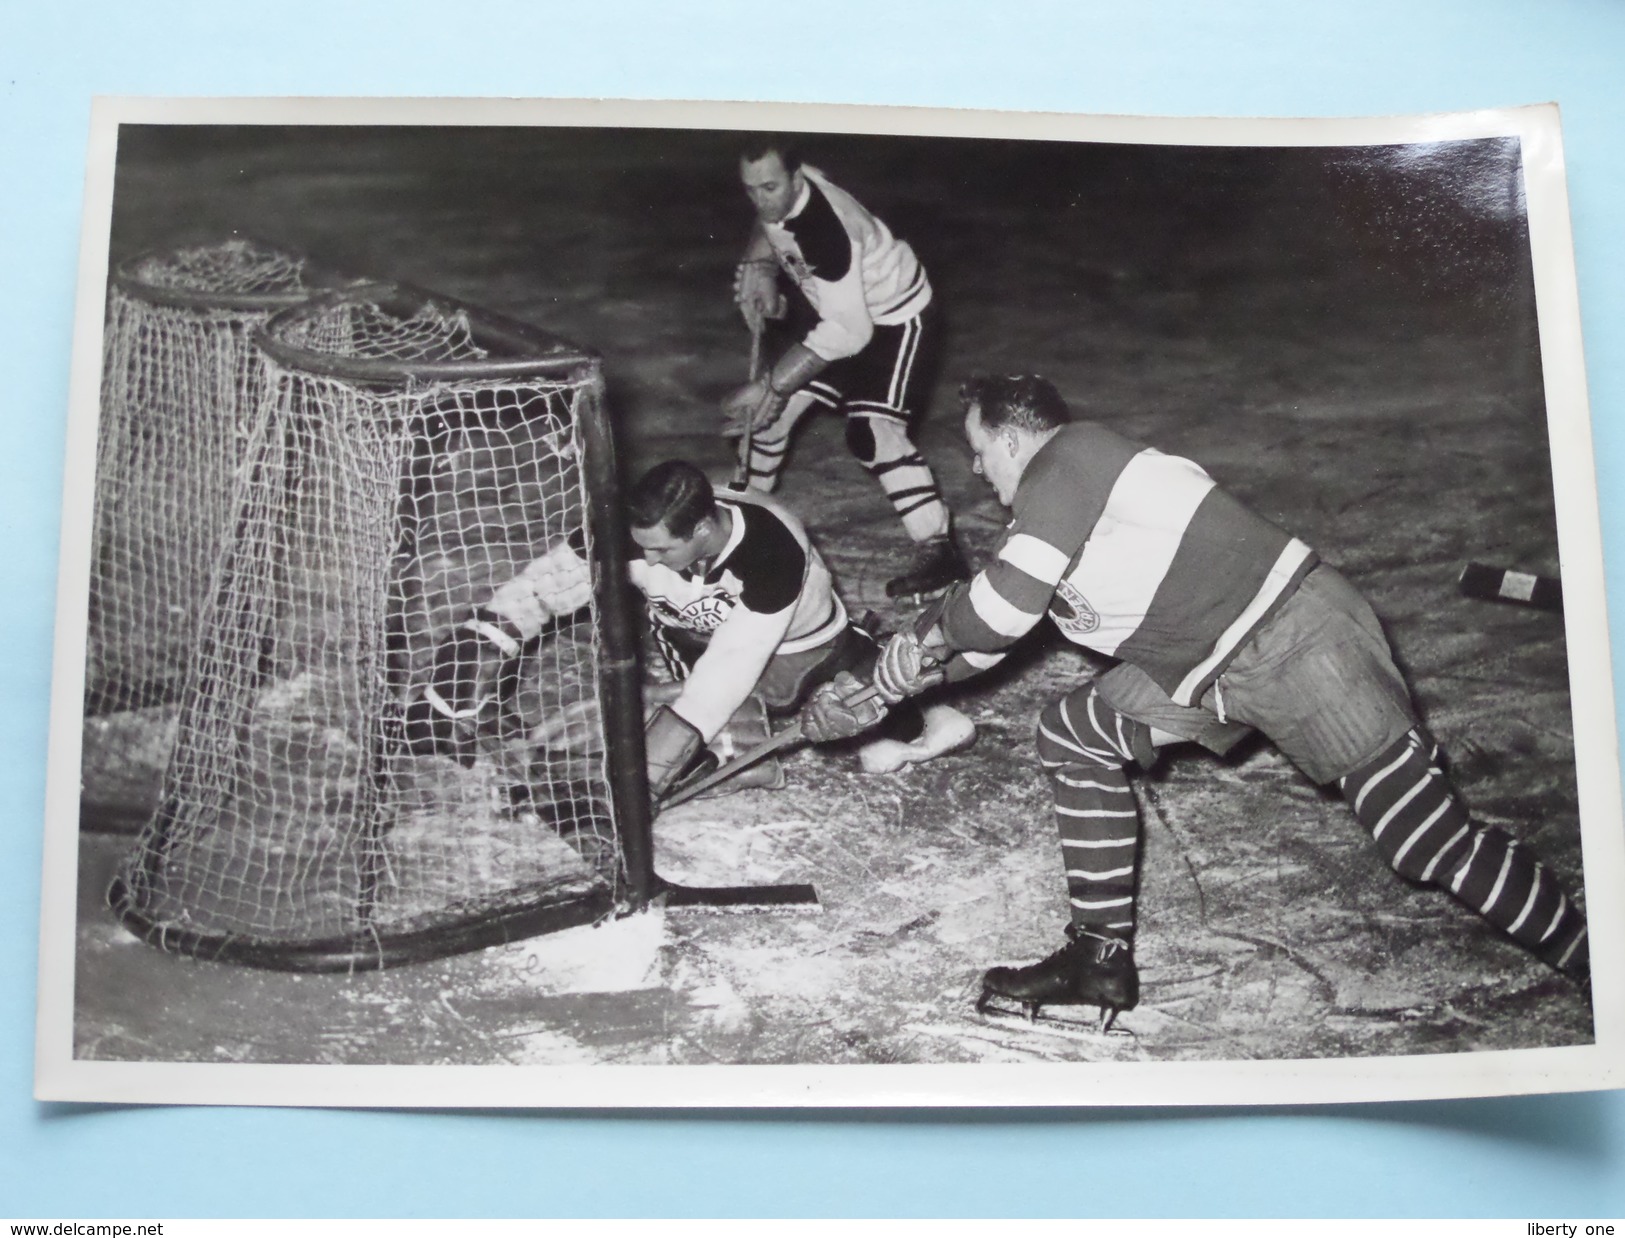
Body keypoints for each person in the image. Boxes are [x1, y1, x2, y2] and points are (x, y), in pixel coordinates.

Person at [852, 373, 1589, 1028]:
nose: (975, 467)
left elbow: (994, 614)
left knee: (1425, 844)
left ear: (1013, 438)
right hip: (1204, 661)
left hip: (1295, 636)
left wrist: (917, 647)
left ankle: (1593, 961)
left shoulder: (1069, 459)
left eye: (978, 449)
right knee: (1074, 735)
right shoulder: (1060, 509)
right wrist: (892, 679)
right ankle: (1097, 960)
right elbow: (990, 635)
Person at [403, 460, 974, 802]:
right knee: (727, 750)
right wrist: (460, 677)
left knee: (859, 721)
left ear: (703, 529)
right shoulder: (635, 532)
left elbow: (732, 666)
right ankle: (728, 743)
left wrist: (646, 772)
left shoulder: (771, 549)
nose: (644, 559)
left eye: (660, 550)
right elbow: (533, 593)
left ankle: (916, 709)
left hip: (800, 644)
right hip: (693, 638)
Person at [722, 137, 969, 601]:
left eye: (769, 187)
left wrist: (773, 383)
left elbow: (850, 332)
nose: (759, 199)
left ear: (796, 179)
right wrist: (761, 265)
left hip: (896, 318)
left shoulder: (824, 229)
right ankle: (749, 525)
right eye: (750, 189)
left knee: (872, 432)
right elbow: (769, 217)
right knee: (770, 422)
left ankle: (940, 552)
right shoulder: (791, 186)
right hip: (842, 313)